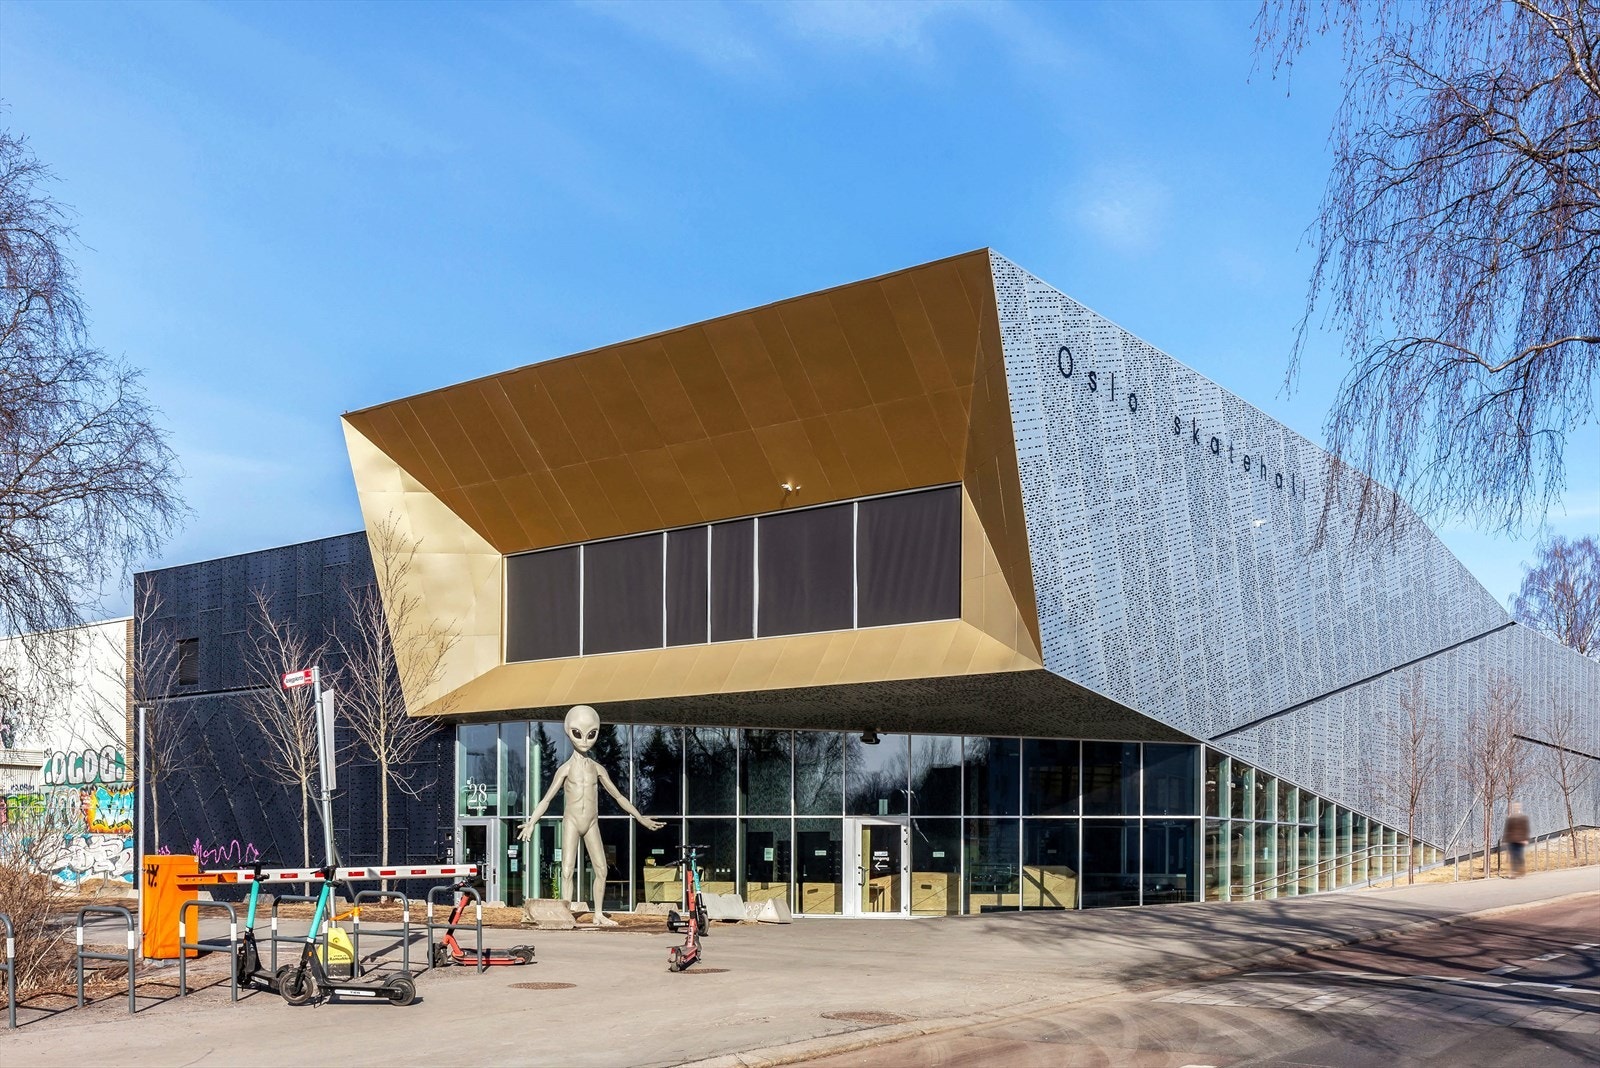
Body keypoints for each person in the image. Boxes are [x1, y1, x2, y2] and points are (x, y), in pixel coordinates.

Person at [1503, 801, 1531, 878]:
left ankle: (1521, 870)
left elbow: (1526, 829)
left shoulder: (1523, 818)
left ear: (1519, 808)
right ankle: (1514, 872)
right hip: (1512, 839)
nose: (1516, 808)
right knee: (1513, 856)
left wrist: (1525, 839)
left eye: (1517, 807)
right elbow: (1507, 829)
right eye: (1515, 807)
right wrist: (1505, 840)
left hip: (1520, 840)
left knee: (1519, 856)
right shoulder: (1510, 818)